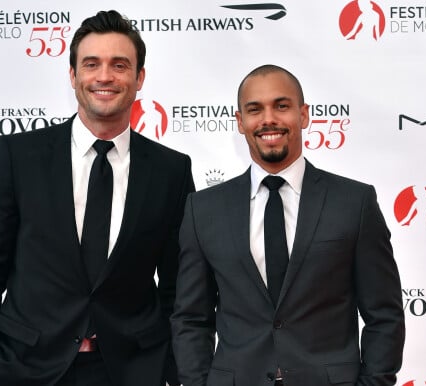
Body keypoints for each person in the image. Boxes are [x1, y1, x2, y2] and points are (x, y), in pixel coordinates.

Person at [0, 10, 194, 386]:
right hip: (26, 367)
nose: (105, 76)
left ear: (139, 78)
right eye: (91, 64)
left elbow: (179, 286)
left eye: (120, 65)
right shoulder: (18, 156)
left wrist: (170, 370)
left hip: (132, 370)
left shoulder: (171, 170)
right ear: (73, 75)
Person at [171, 64, 405, 386]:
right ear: (240, 122)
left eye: (281, 106)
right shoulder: (203, 209)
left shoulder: (355, 203)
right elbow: (191, 319)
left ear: (304, 115)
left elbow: (385, 315)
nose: (269, 119)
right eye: (255, 109)